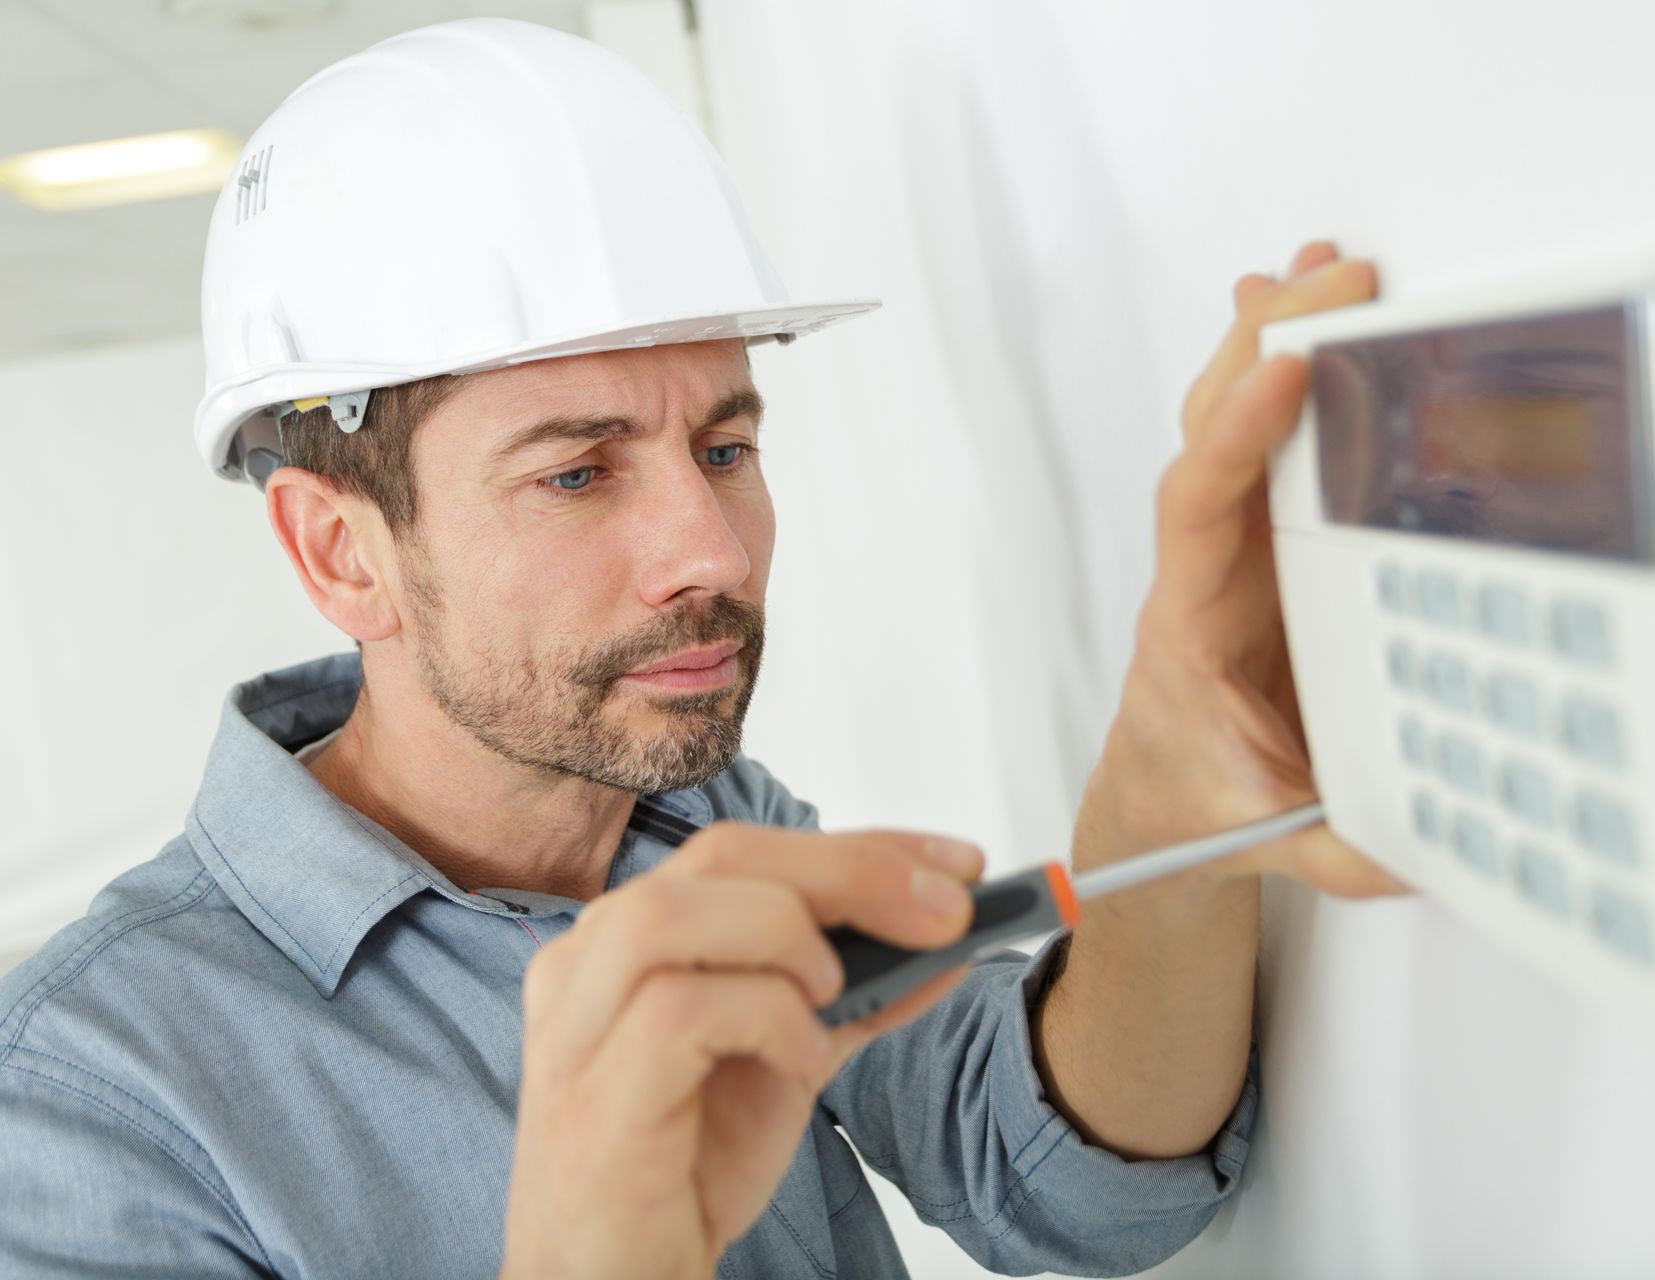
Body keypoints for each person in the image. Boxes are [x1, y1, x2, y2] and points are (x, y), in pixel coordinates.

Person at [0, 19, 1401, 1279]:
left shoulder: (695, 821)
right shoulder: (78, 1104)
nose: (717, 554)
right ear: (340, 553)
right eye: (577, 474)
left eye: (724, 445)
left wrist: (1170, 799)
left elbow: (1062, 1179)